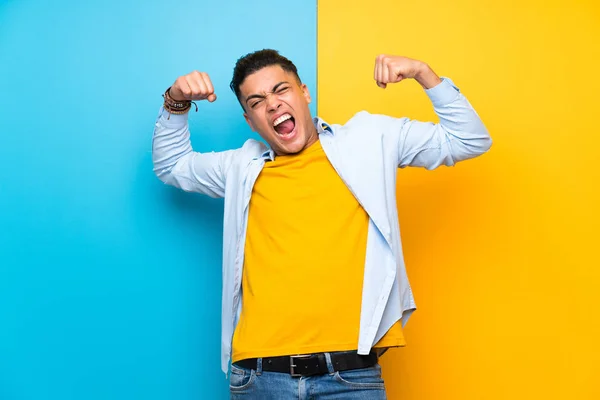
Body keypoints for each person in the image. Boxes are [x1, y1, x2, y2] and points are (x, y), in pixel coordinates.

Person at [152, 49, 492, 399]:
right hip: (259, 378)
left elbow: (468, 139)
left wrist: (423, 73)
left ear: (304, 92)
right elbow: (172, 165)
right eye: (257, 101)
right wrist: (175, 101)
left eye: (281, 90)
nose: (272, 104)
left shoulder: (369, 140)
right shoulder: (241, 167)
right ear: (250, 120)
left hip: (350, 377)